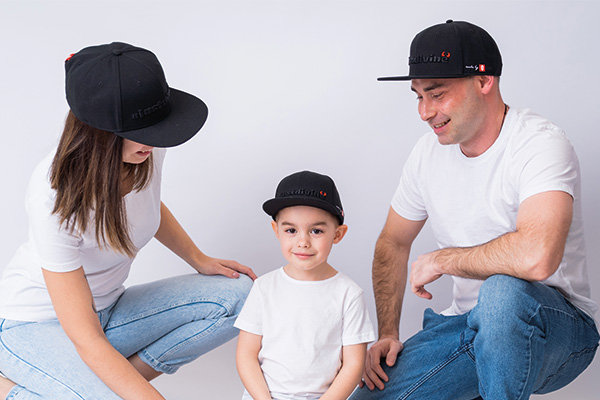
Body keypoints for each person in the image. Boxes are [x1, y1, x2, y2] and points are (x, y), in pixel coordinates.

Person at [350, 20, 599, 400]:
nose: (424, 112)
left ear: (484, 81)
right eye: (418, 96)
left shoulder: (539, 144)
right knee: (370, 396)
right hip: (466, 326)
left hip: (558, 331)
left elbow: (537, 258)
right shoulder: (426, 154)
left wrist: (443, 260)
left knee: (501, 293)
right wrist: (388, 332)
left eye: (437, 94)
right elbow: (393, 242)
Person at [0, 42, 256, 400]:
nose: (155, 142)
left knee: (244, 297)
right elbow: (86, 337)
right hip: (34, 326)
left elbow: (146, 205)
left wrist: (198, 259)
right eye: (143, 133)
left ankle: (87, 387)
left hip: (110, 313)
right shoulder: (53, 196)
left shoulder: (145, 146)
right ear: (96, 133)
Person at [234, 171, 376, 400]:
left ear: (338, 234)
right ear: (276, 230)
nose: (303, 242)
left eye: (316, 231)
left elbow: (353, 364)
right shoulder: (264, 288)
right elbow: (246, 355)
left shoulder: (349, 294)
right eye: (291, 230)